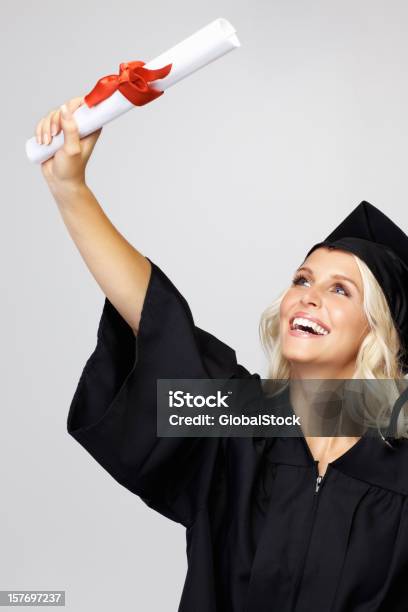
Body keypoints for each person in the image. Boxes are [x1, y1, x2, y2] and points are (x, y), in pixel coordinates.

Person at [36, 97, 408, 612]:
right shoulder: (240, 423)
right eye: (302, 278)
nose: (309, 295)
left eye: (341, 290)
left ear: (379, 329)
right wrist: (70, 189)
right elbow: (156, 320)